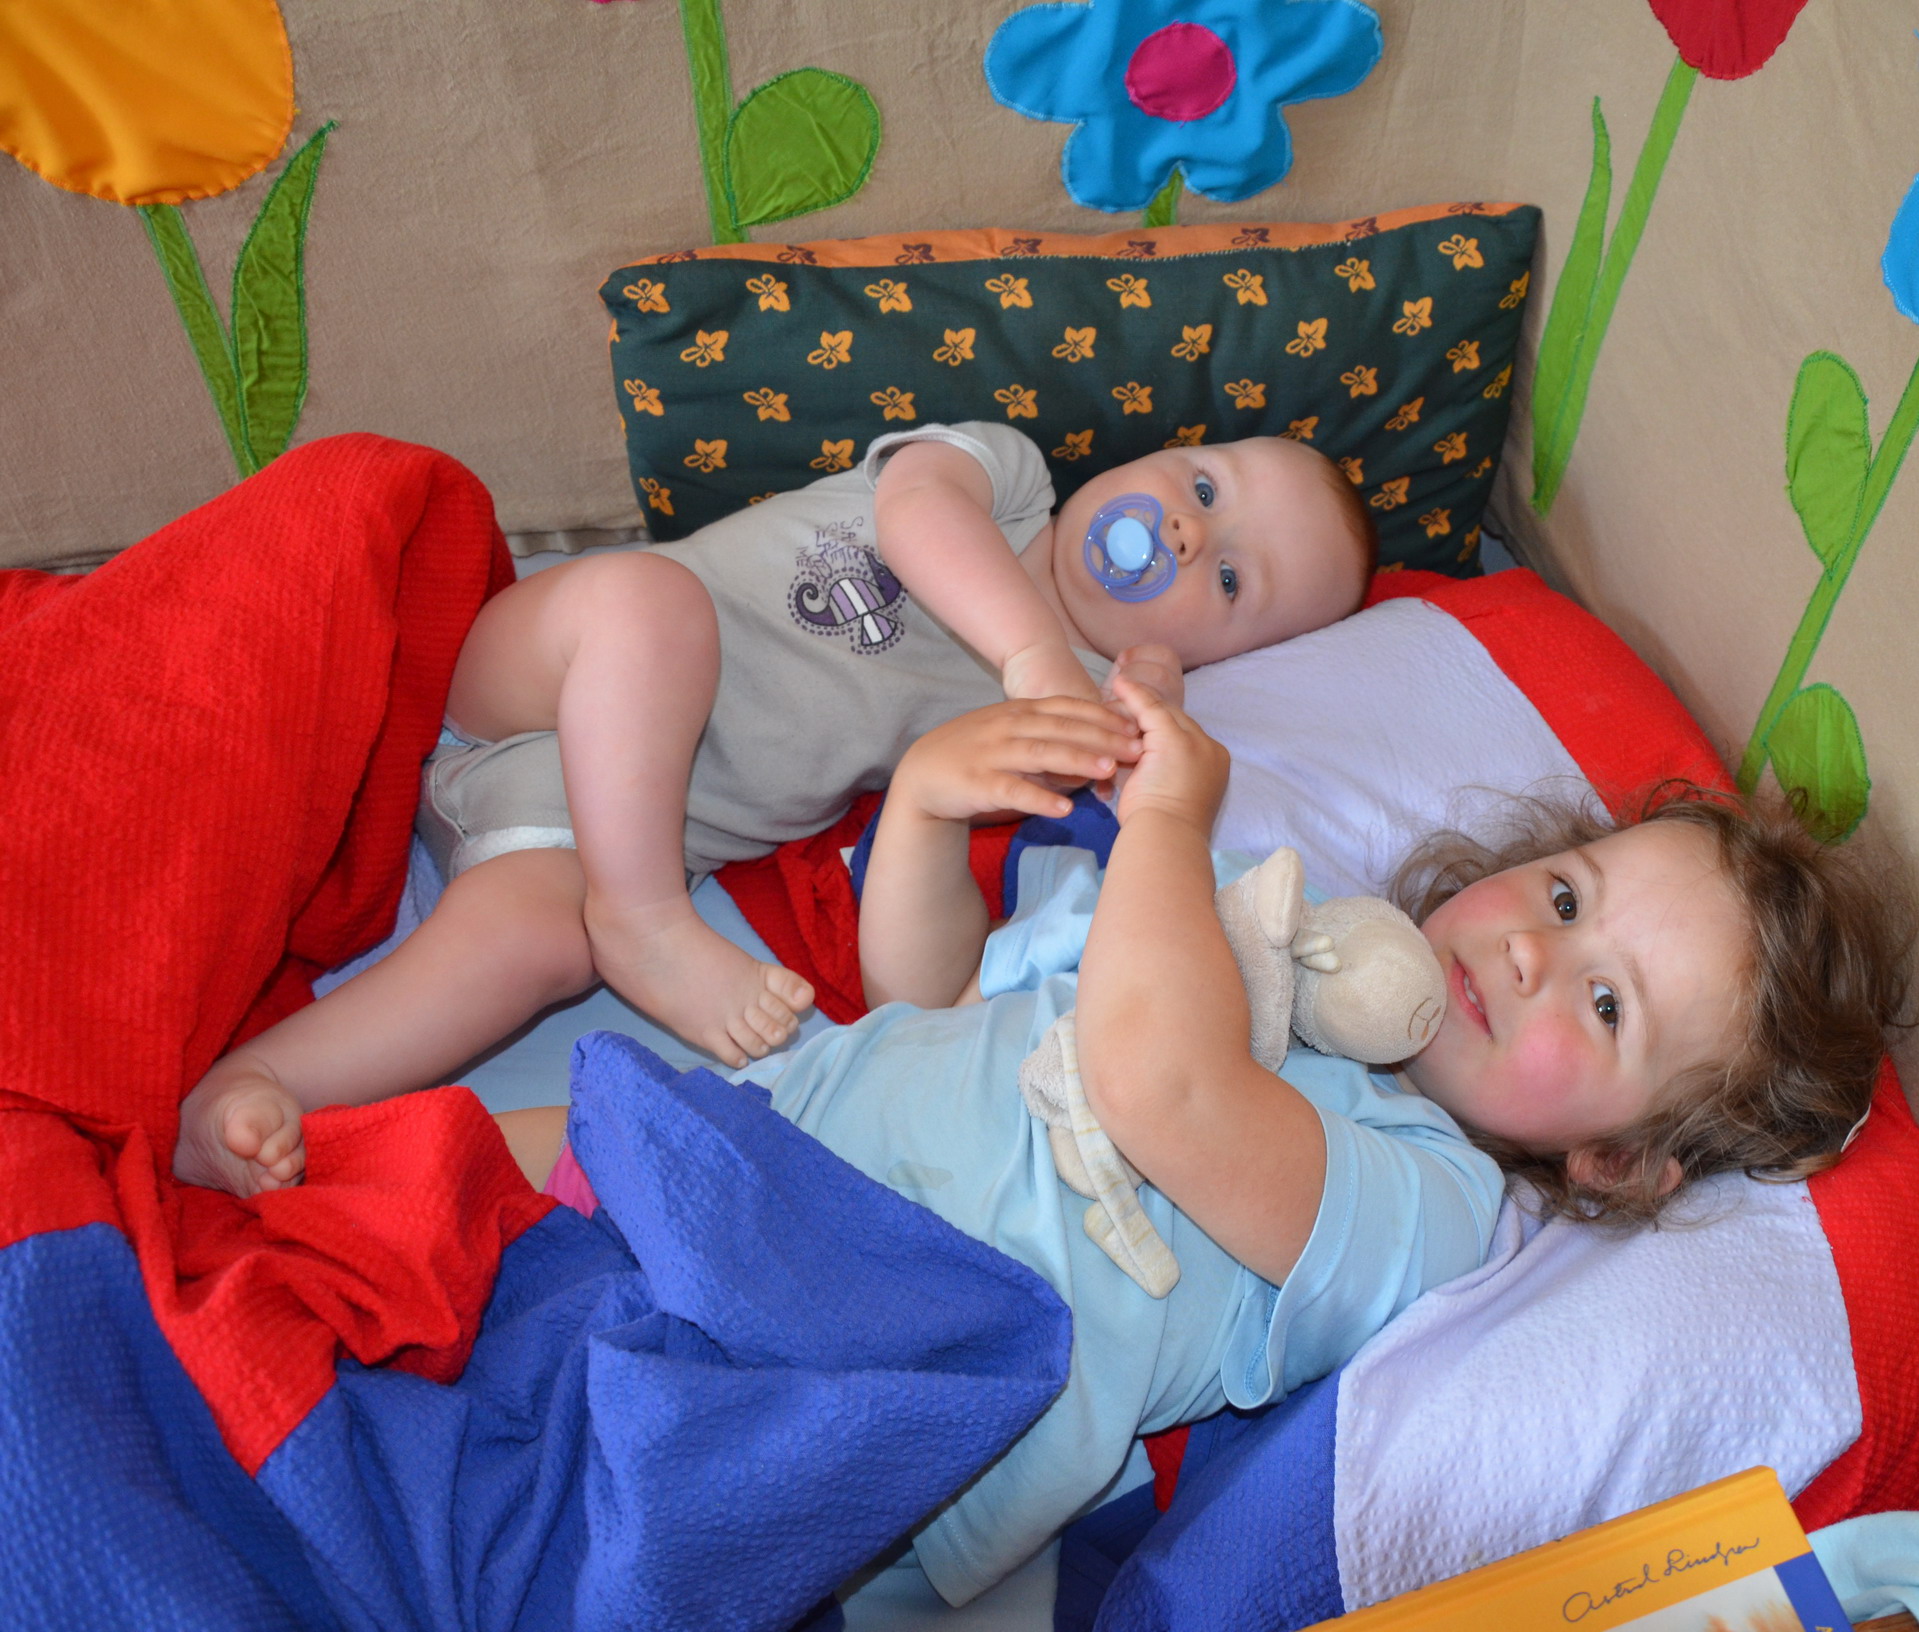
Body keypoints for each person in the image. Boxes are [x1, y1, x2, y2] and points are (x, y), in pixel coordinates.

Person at [496, 682, 1917, 1602]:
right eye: (1563, 897)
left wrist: (1168, 824)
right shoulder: (1260, 921)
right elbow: (940, 1003)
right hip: (759, 1136)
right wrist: (925, 807)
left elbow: (1156, 1088)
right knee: (445, 1171)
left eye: (1606, 1006)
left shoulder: (1426, 1203)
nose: (1536, 955)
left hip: (855, 1353)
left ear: (1610, 1161)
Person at [175, 422, 1377, 1196]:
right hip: (542, 672)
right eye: (1204, 485)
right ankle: (645, 925)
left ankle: (254, 1091)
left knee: (534, 945)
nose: (1187, 530)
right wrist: (1031, 653)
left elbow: (1106, 825)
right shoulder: (1008, 478)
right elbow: (917, 512)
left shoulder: (1066, 719)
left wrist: (1144, 701)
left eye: (1230, 578)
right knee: (650, 606)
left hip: (597, 826)